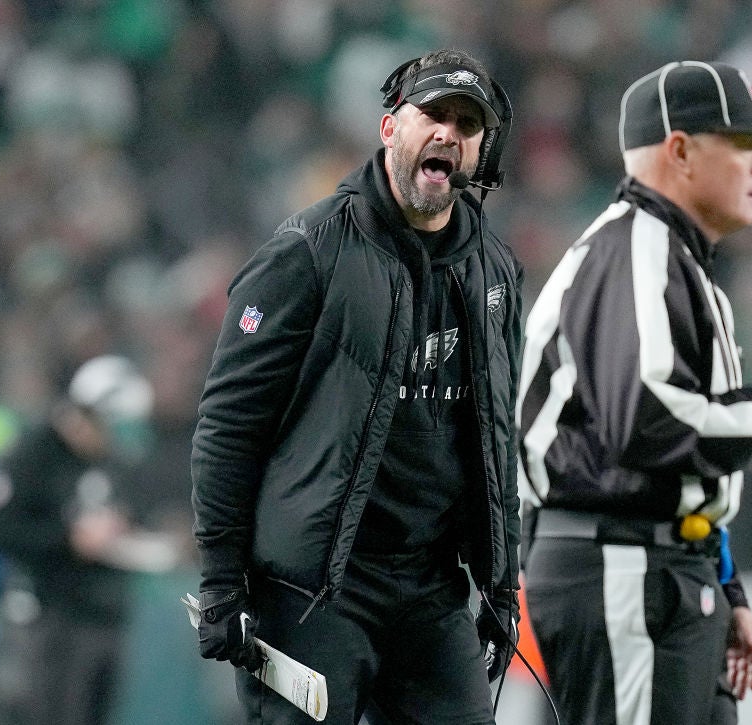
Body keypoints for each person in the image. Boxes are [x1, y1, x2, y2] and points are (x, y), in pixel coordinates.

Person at [190, 48, 523, 724]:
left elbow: (496, 437)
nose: (448, 134)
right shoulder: (306, 251)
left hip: (431, 591)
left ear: (482, 149)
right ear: (388, 128)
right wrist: (223, 580)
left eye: (467, 125)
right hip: (311, 591)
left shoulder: (496, 269)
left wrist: (500, 584)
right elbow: (229, 424)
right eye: (433, 114)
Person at [516, 60, 752, 725]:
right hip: (623, 562)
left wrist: (722, 577)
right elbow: (649, 425)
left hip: (659, 561)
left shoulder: (666, 256)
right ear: (680, 150)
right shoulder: (638, 247)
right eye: (742, 143)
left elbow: (663, 460)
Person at [0, 355, 157, 725]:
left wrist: (125, 527)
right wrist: (69, 540)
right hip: (47, 615)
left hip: (104, 611)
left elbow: (132, 507)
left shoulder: (111, 458)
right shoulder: (33, 453)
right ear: (85, 416)